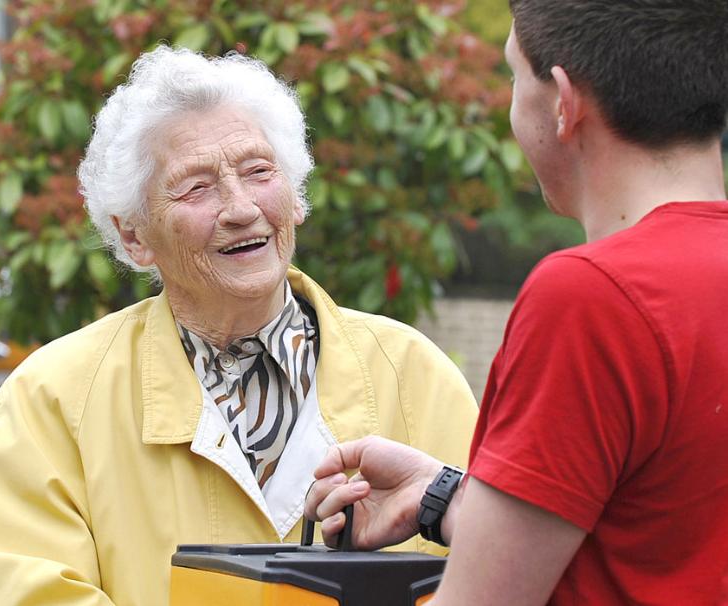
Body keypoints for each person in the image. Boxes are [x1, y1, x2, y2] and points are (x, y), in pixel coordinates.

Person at [0, 46, 479, 605]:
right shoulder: (53, 399)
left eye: (259, 172)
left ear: (296, 197)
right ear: (134, 236)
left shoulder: (412, 374)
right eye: (197, 187)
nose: (240, 208)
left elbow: (501, 573)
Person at [306, 1, 728, 604]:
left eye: (512, 75)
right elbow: (659, 526)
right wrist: (444, 495)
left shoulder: (593, 298)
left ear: (562, 102)